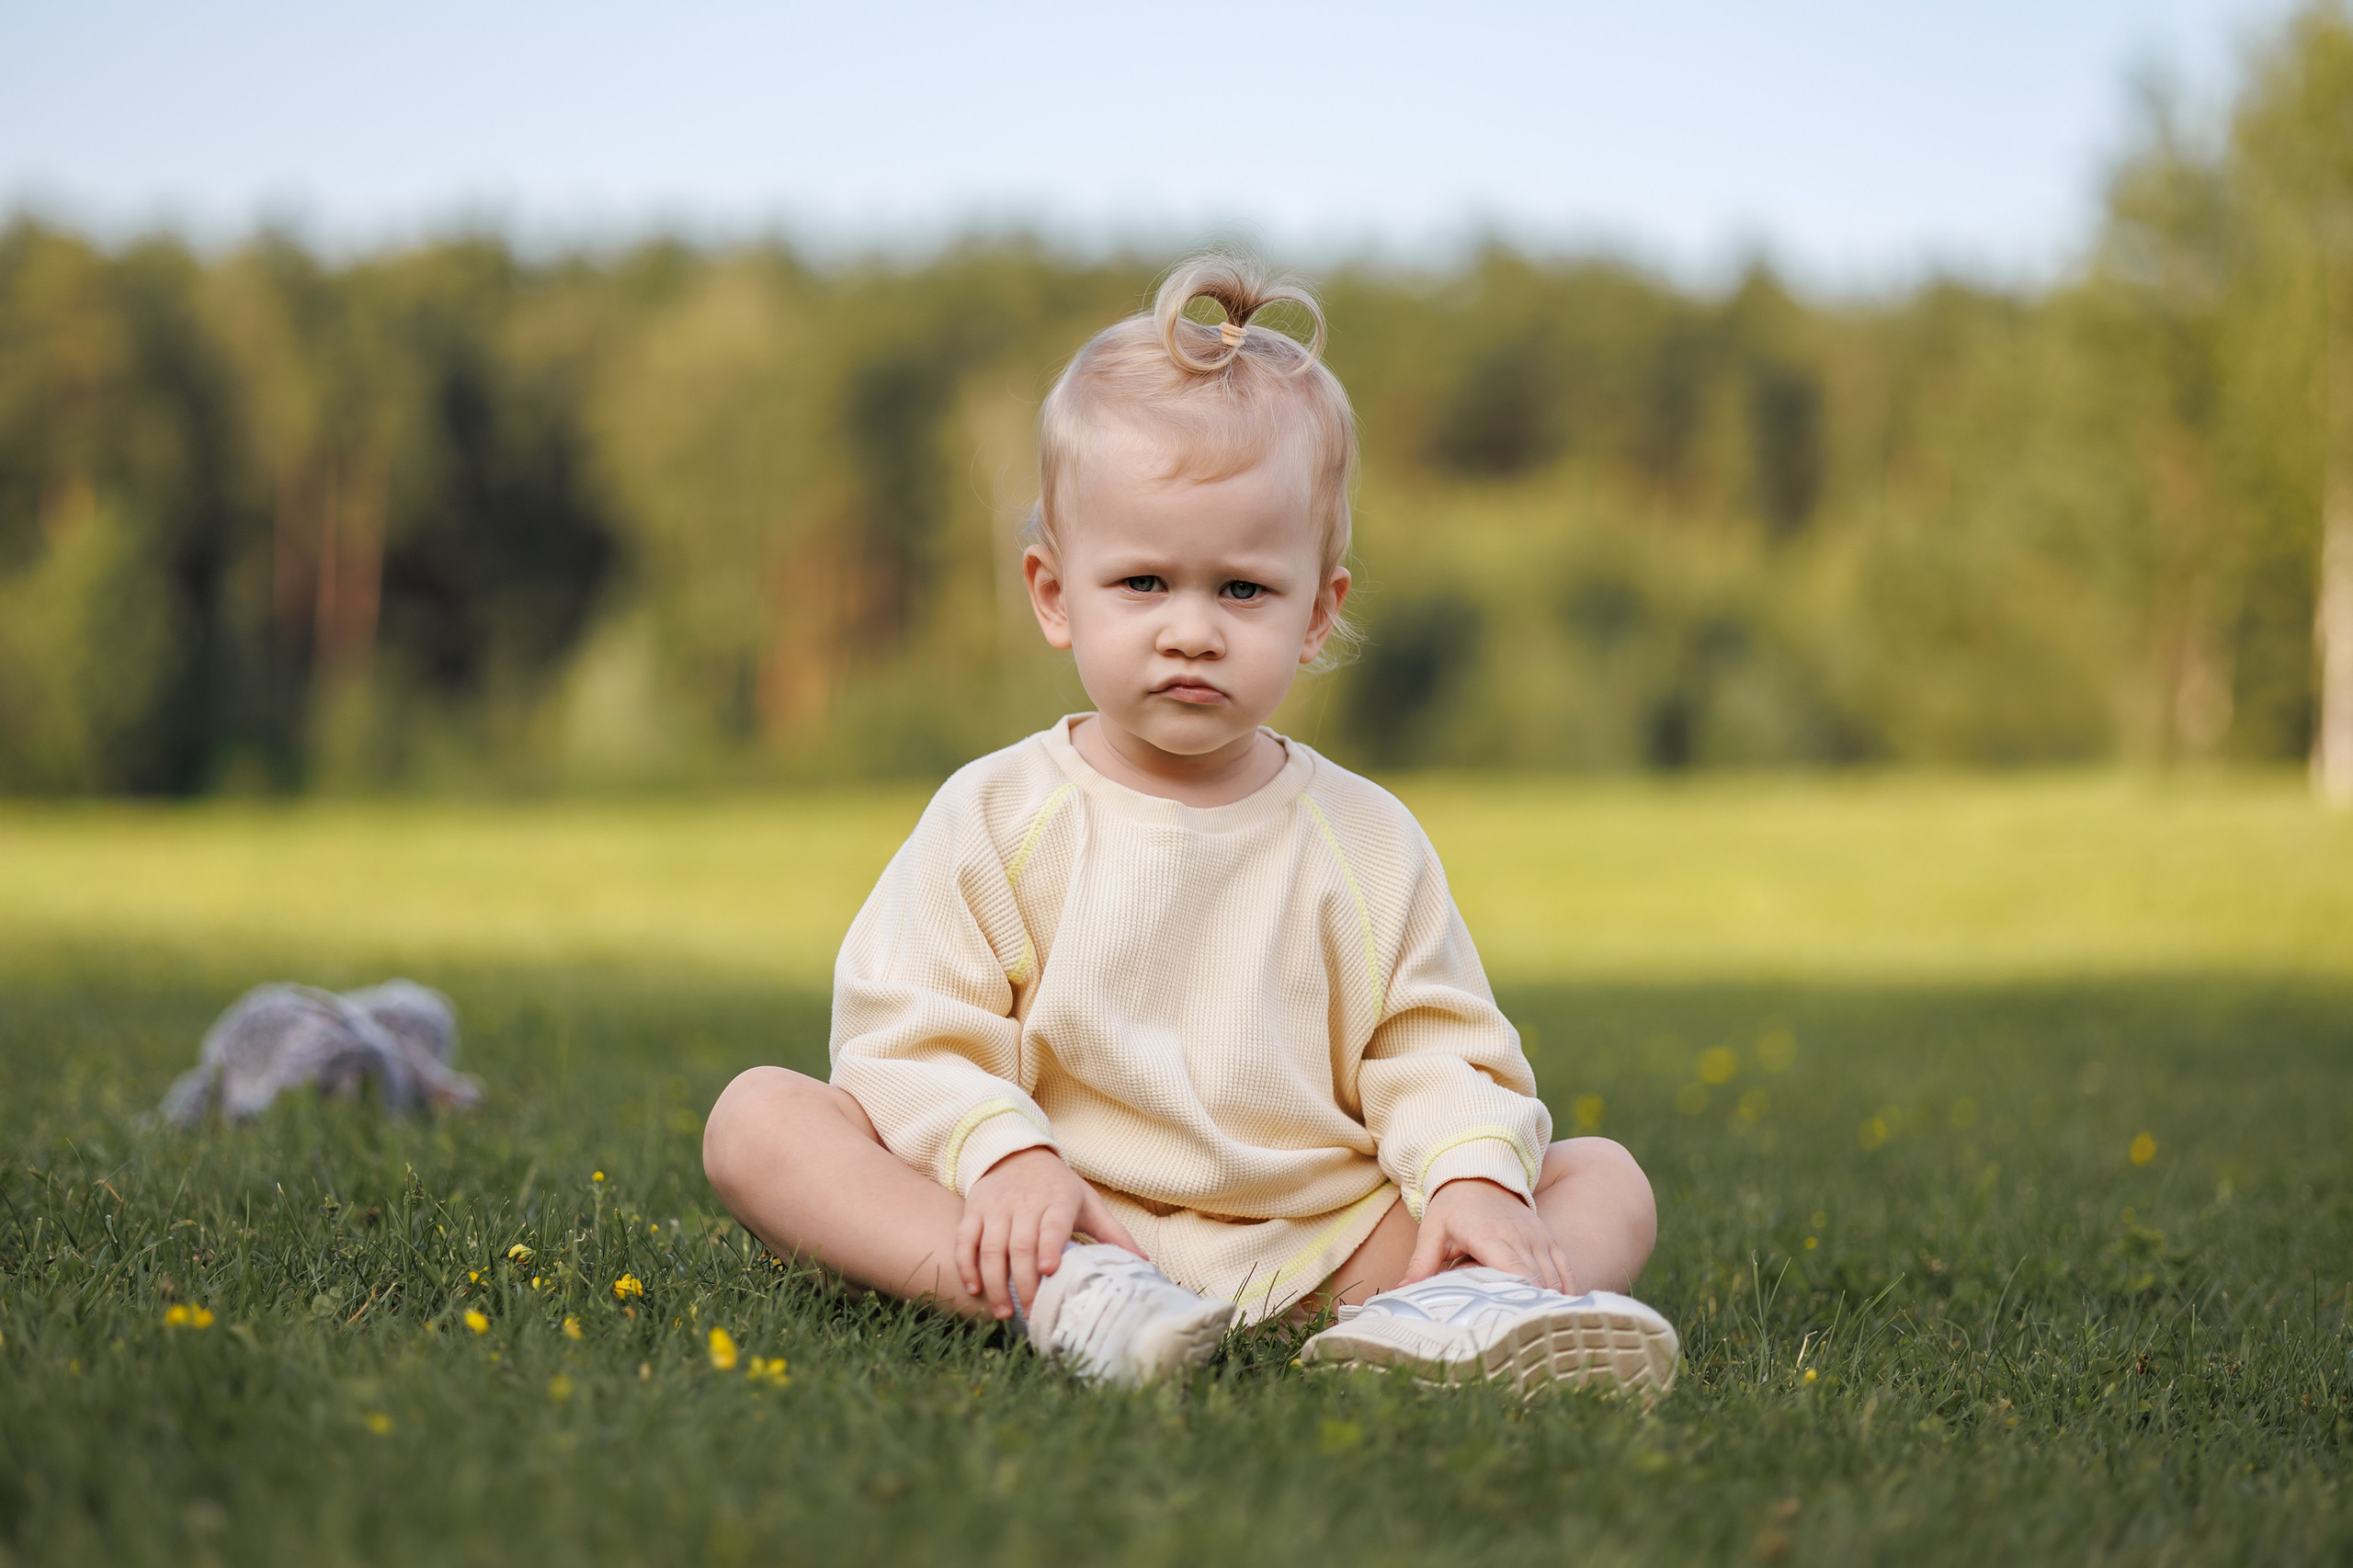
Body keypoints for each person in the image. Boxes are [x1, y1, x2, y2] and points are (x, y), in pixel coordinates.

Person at [703, 253, 1674, 1395]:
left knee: (1605, 1176)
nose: (1193, 630)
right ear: (1057, 592)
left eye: (1244, 591)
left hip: (1316, 1243)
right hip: (1061, 1211)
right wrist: (1004, 1153)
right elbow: (908, 1025)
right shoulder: (1001, 813)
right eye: (1145, 584)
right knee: (757, 1117)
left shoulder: (1363, 839)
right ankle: (1058, 1295)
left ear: (1318, 611)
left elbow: (1435, 1046)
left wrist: (1470, 1177)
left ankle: (1442, 1312)